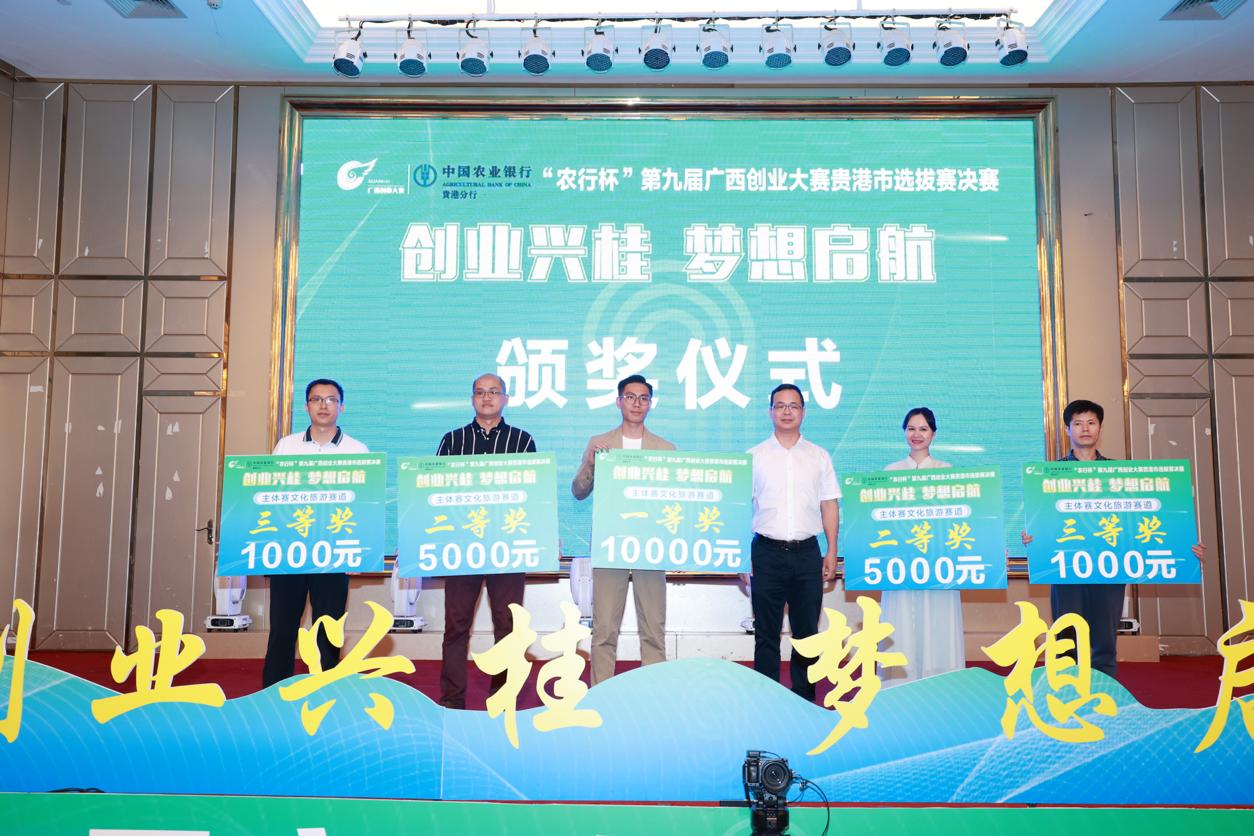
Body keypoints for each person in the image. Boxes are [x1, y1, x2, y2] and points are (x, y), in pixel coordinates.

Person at [1022, 398, 1204, 679]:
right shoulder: (1049, 475)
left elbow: (1146, 516)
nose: (1085, 429)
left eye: (1091, 423)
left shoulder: (1120, 474)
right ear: (1068, 429)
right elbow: (1041, 521)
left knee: (1104, 642)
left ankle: (1104, 695)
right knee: (1066, 641)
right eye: (1078, 423)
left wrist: (1183, 547)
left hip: (1110, 568)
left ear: (1100, 428)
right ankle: (1066, 695)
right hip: (1066, 568)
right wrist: (1032, 538)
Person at [436, 372, 537, 709]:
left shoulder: (522, 441)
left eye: (494, 392)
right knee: (455, 627)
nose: (487, 397)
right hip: (462, 547)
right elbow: (435, 493)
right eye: (480, 392)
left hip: (507, 547)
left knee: (508, 626)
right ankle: (452, 701)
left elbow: (532, 494)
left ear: (505, 398)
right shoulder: (453, 441)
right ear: (472, 399)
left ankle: (503, 697)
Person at [262, 378, 369, 688]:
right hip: (290, 552)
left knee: (328, 630)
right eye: (316, 399)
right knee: (282, 628)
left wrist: (359, 552)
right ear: (306, 406)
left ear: (341, 407)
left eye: (331, 399)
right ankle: (274, 693)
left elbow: (363, 505)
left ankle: (326, 690)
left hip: (334, 554)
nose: (324, 405)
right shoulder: (287, 446)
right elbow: (271, 497)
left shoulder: (357, 450)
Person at [572, 374, 676, 685]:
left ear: (650, 404)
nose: (636, 403)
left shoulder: (665, 449)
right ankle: (601, 693)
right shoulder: (599, 443)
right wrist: (590, 463)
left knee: (653, 629)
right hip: (611, 545)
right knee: (604, 629)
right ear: (619, 402)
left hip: (650, 547)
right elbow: (578, 491)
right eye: (630, 397)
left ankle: (653, 693)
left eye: (643, 398)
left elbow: (673, 502)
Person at [746, 383, 840, 701]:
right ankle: (768, 701)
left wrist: (832, 550)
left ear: (803, 411)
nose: (787, 411)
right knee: (766, 634)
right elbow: (739, 507)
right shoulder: (754, 457)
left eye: (793, 406)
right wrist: (739, 556)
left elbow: (829, 504)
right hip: (765, 553)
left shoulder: (819, 456)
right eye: (780, 405)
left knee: (807, 635)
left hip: (807, 554)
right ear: (770, 411)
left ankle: (803, 700)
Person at [880, 407, 964, 683]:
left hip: (938, 564)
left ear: (933, 434)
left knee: (938, 622)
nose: (917, 434)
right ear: (904, 432)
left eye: (923, 429)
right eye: (911, 429)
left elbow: (962, 519)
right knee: (900, 623)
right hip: (900, 565)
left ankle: (940, 686)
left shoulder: (947, 472)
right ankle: (898, 686)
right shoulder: (890, 472)